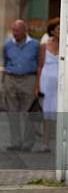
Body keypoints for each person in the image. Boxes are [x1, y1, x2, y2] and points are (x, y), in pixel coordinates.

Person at [1, 19, 41, 152]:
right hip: (11, 79)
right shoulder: (8, 45)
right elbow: (5, 63)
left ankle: (28, 143)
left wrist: (37, 86)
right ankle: (15, 142)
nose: (14, 33)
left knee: (28, 112)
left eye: (17, 30)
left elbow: (40, 65)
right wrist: (3, 84)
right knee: (12, 113)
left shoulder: (35, 45)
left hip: (28, 79)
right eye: (13, 30)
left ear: (25, 31)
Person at [36, 17, 60, 153]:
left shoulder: (65, 45)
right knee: (47, 113)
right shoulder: (44, 46)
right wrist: (37, 86)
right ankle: (45, 143)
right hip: (47, 82)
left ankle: (60, 143)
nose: (61, 31)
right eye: (58, 29)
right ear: (52, 31)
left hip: (61, 83)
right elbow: (39, 66)